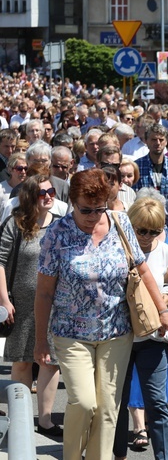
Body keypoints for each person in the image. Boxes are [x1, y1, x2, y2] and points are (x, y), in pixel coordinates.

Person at [34, 169, 168, 460]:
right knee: (84, 403)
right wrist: (40, 341)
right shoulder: (57, 235)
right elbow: (44, 292)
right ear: (71, 201)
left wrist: (162, 310)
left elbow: (142, 267)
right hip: (71, 333)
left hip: (117, 331)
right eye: (86, 209)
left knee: (109, 407)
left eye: (100, 208)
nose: (94, 215)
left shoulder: (120, 222)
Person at [114, 196, 168, 460]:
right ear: (130, 223)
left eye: (154, 231)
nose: (146, 236)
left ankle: (163, 458)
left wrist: (166, 299)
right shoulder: (116, 248)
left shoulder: (165, 250)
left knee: (157, 404)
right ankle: (118, 454)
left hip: (152, 338)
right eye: (141, 229)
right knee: (116, 404)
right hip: (118, 337)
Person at [0, 174, 63, 436]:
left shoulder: (63, 225)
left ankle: (45, 419)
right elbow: (0, 262)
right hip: (22, 305)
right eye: (42, 193)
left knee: (50, 361)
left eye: (52, 191)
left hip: (55, 304)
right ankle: (21, 418)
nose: (48, 196)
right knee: (23, 361)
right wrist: (4, 299)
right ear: (29, 196)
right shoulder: (16, 224)